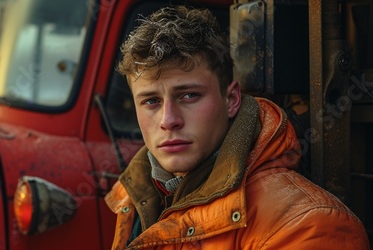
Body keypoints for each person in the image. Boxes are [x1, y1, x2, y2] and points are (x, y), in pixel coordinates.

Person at [104, 5, 370, 249]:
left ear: (231, 100)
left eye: (189, 96)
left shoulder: (307, 225)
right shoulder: (136, 195)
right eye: (151, 101)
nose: (168, 120)